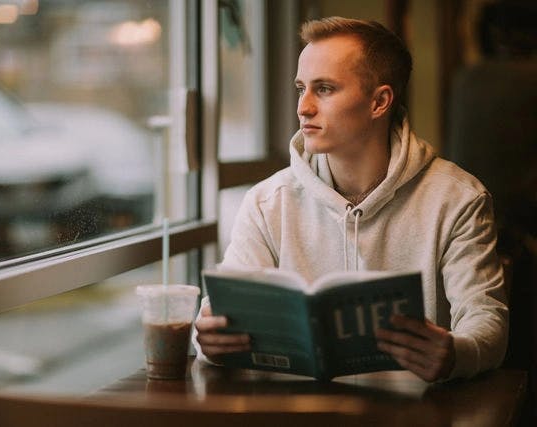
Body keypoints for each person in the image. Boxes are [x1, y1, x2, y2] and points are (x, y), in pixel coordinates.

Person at [193, 17, 508, 382]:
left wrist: (454, 354)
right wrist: (209, 341)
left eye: (324, 89)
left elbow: (488, 326)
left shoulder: (459, 199)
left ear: (379, 101)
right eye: (301, 89)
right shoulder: (267, 201)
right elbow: (218, 320)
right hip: (291, 413)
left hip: (412, 416)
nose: (304, 107)